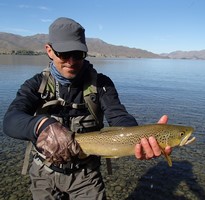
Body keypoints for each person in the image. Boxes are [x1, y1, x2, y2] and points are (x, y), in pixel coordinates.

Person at [3, 17, 171, 200]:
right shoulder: (36, 85)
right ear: (49, 51)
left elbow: (119, 116)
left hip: (86, 176)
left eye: (78, 54)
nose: (71, 61)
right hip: (44, 173)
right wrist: (40, 125)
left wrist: (140, 136)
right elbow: (11, 120)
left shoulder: (101, 84)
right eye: (64, 54)